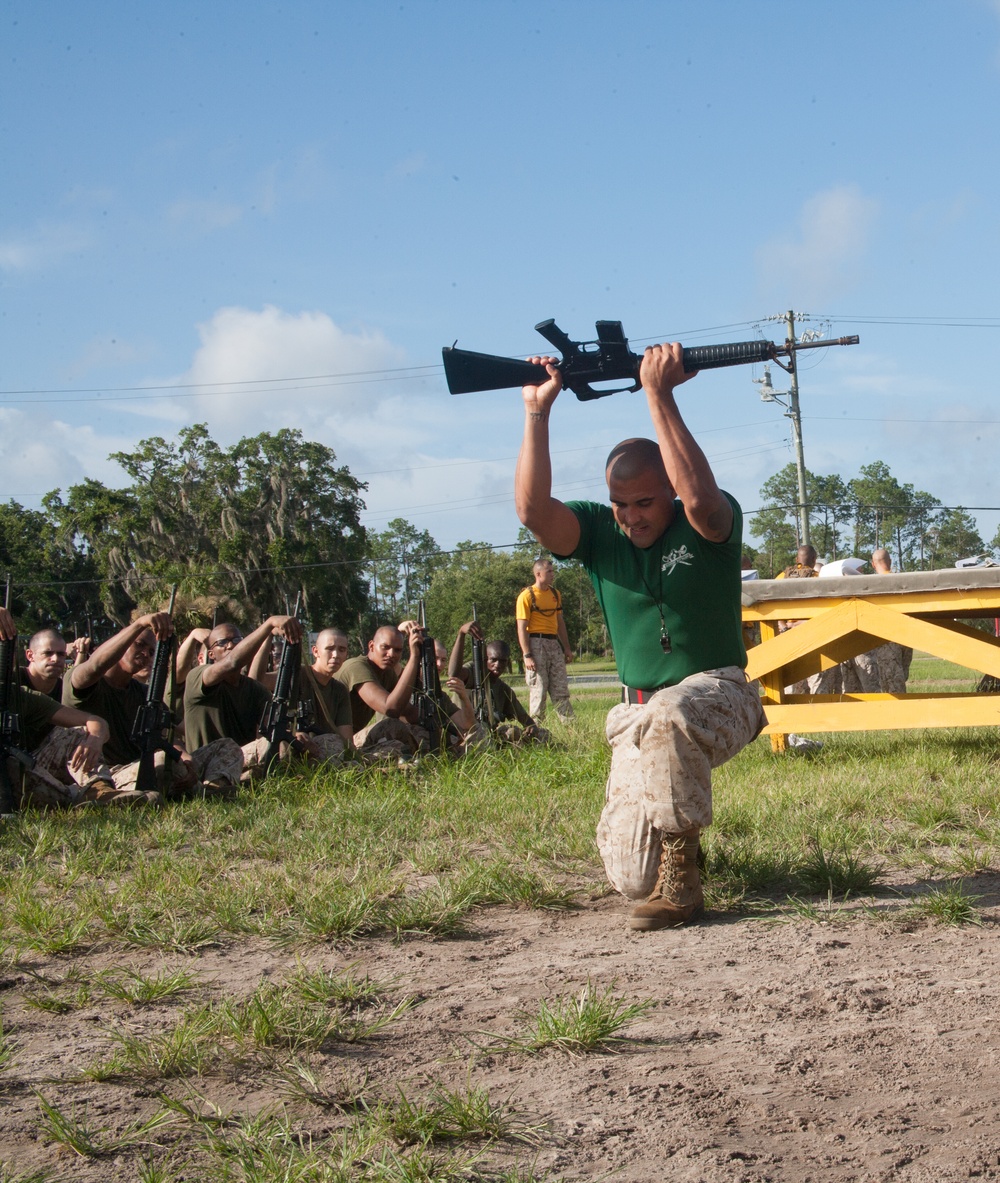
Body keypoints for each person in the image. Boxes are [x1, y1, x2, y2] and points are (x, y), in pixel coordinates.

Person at [514, 342, 764, 932]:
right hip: (635, 714)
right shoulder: (600, 533)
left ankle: (683, 886)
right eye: (621, 504)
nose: (632, 516)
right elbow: (532, 511)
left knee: (673, 711)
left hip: (719, 694)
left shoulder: (709, 519)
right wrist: (537, 411)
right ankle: (683, 843)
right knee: (629, 877)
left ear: (669, 492)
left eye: (646, 502)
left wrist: (659, 392)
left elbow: (699, 498)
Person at [64, 611, 242, 800]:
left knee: (226, 746)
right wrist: (138, 625)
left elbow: (171, 733)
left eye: (151, 652)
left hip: (146, 764)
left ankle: (213, 789)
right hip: (109, 775)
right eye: (139, 644)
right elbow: (95, 665)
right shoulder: (82, 682)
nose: (146, 655)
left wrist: (186, 759)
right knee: (165, 762)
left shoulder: (144, 693)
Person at [181, 615, 301, 782]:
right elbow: (232, 663)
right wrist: (269, 625)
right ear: (211, 654)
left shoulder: (254, 689)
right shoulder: (198, 676)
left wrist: (295, 737)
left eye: (237, 640)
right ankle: (214, 786)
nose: (231, 645)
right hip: (204, 762)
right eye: (222, 642)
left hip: (240, 758)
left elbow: (271, 726)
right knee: (229, 747)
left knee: (287, 742)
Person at [248, 625, 353, 761]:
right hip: (286, 744)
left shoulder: (340, 690)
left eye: (342, 650)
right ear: (315, 651)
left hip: (318, 750)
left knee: (337, 746)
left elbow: (347, 741)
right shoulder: (295, 675)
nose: (336, 655)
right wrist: (268, 635)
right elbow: (256, 681)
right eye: (329, 648)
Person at [448, 622, 548, 744]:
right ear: (484, 659)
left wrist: (532, 729)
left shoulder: (503, 690)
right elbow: (454, 673)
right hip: (463, 732)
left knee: (542, 735)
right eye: (493, 660)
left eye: (502, 661)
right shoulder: (473, 672)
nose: (498, 665)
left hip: (488, 736)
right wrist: (461, 634)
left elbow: (525, 720)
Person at [515, 558, 574, 723]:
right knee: (538, 689)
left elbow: (560, 622)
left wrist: (566, 648)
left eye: (553, 571)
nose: (553, 575)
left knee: (560, 689)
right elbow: (521, 627)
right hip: (535, 643)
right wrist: (527, 655)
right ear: (538, 574)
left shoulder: (555, 594)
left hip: (553, 643)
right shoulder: (526, 596)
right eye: (549, 572)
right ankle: (535, 732)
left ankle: (571, 729)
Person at [21, 628, 68, 701]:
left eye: (61, 654)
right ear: (30, 655)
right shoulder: (11, 681)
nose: (55, 659)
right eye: (48, 653)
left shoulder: (65, 690)